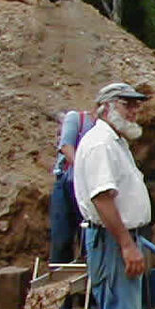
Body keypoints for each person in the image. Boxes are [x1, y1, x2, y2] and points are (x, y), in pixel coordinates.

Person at [73, 82, 151, 309]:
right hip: (112, 239)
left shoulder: (115, 142)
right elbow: (103, 198)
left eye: (136, 105)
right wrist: (126, 245)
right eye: (126, 104)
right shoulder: (101, 144)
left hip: (118, 237)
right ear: (105, 107)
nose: (133, 111)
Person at [49, 106, 97, 264]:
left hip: (92, 186)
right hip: (68, 184)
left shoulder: (108, 130)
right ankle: (57, 278)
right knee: (62, 237)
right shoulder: (77, 119)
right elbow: (66, 147)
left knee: (88, 236)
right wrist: (82, 170)